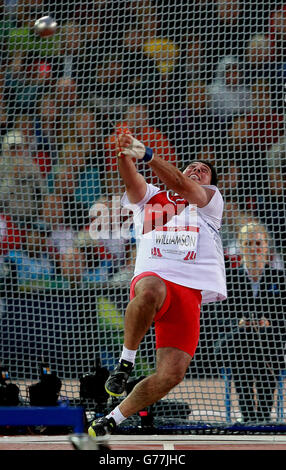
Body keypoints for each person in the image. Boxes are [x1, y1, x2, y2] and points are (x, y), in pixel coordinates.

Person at [88, 132, 227, 438]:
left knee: (171, 375)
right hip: (156, 276)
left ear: (210, 182)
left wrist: (146, 152)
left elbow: (179, 182)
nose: (196, 171)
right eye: (192, 167)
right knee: (149, 289)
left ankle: (113, 418)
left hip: (189, 292)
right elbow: (131, 179)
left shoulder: (209, 201)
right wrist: (125, 153)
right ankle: (125, 363)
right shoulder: (151, 197)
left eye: (203, 170)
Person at [216, 222, 286, 423]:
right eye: (248, 243)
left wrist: (269, 322)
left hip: (270, 343)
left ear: (266, 247)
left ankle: (263, 415)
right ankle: (248, 415)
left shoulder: (280, 278)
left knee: (267, 355)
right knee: (242, 356)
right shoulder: (228, 278)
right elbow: (217, 316)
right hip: (238, 343)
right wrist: (238, 322)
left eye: (258, 243)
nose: (254, 249)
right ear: (241, 246)